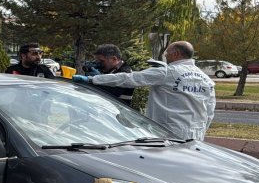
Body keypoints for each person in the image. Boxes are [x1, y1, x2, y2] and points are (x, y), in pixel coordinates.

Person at [73, 41, 216, 140]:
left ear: (176, 54)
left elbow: (130, 78)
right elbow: (210, 111)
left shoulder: (167, 72)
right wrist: (202, 130)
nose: (165, 56)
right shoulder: (206, 80)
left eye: (167, 53)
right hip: (197, 134)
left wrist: (93, 80)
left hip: (169, 132)